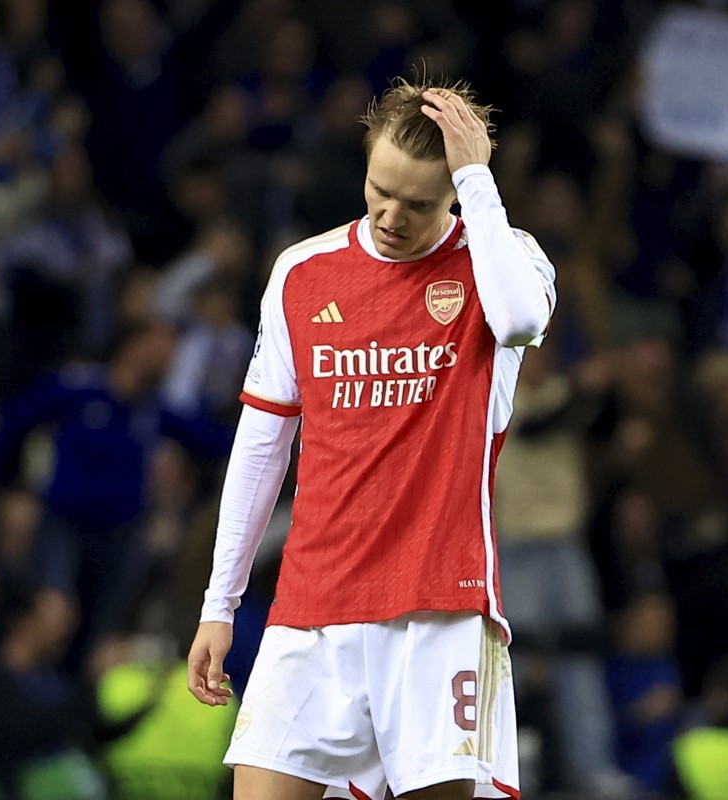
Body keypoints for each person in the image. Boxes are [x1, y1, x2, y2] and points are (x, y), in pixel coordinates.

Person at [186, 75, 555, 800]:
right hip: (310, 610)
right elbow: (261, 450)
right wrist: (218, 604)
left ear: (456, 192)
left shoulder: (501, 263)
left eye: (418, 203)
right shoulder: (301, 273)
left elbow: (518, 321)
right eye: (378, 189)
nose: (390, 215)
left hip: (438, 611)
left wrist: (477, 179)